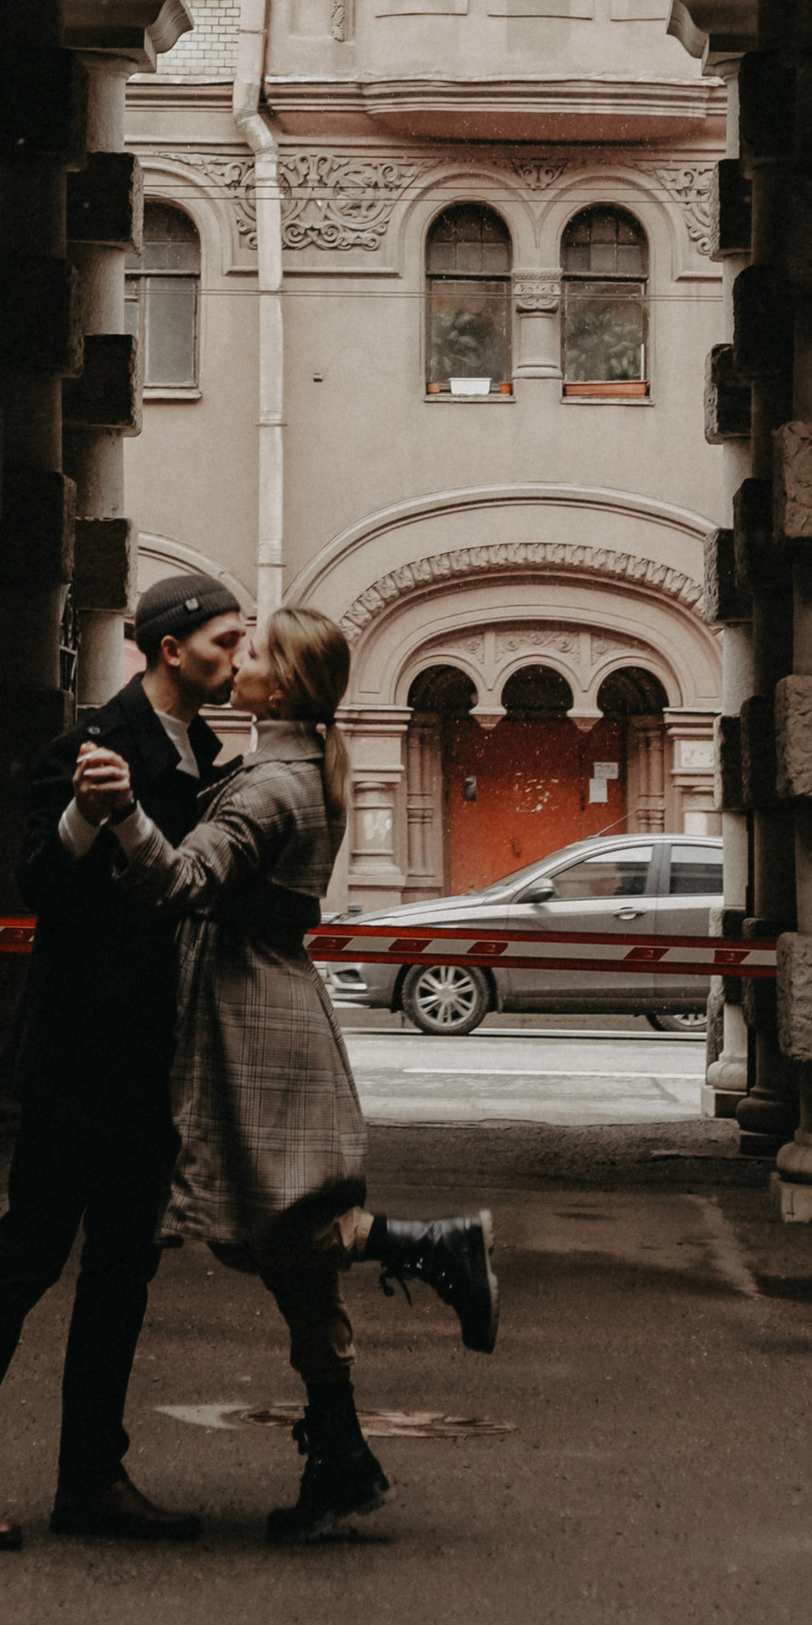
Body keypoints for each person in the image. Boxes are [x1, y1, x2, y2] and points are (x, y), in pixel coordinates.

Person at [71, 603, 500, 1547]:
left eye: (256, 654)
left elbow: (182, 884)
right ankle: (342, 1456)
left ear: (287, 685)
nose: (240, 662)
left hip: (249, 1019)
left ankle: (430, 1246)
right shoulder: (292, 768)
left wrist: (125, 816)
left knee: (272, 1225)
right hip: (260, 1006)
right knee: (287, 1261)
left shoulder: (274, 788)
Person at [0, 572, 248, 1552]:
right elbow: (38, 883)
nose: (238, 658)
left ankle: (92, 1474)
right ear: (170, 648)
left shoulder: (201, 753)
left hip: (150, 1060)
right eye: (225, 641)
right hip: (76, 1058)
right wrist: (92, 813)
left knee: (123, 1276)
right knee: (24, 1262)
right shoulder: (93, 745)